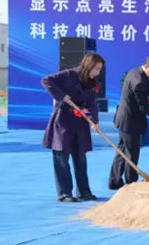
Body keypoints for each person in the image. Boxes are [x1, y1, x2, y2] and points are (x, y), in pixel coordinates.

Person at [41, 53, 105, 202]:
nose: (97, 72)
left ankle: (84, 192)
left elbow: (92, 103)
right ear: (88, 65)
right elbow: (46, 80)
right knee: (61, 159)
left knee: (80, 159)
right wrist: (62, 96)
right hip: (63, 122)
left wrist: (94, 121)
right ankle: (64, 193)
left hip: (80, 123)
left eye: (99, 69)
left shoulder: (93, 83)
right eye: (96, 68)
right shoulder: (69, 75)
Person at [109, 55, 149, 189]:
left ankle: (114, 181)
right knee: (132, 153)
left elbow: (134, 96)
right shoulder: (140, 81)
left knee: (122, 151)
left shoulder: (134, 71)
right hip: (130, 121)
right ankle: (131, 184)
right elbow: (142, 107)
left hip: (123, 118)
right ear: (147, 66)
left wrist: (145, 99)